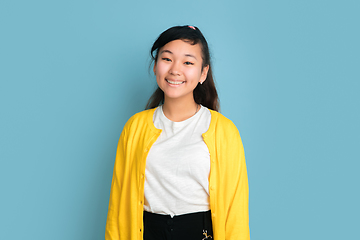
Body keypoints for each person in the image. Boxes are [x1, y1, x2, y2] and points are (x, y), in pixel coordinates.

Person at [105, 25, 249, 240]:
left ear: (203, 73)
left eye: (188, 62)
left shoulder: (224, 131)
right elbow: (118, 206)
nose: (175, 69)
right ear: (155, 66)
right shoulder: (135, 128)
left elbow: (235, 213)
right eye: (167, 59)